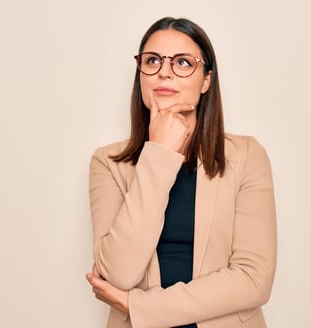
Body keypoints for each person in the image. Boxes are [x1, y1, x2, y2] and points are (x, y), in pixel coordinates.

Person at [85, 16, 277, 328]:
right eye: (153, 60)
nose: (164, 71)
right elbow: (118, 273)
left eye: (183, 62)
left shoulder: (246, 156)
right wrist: (159, 156)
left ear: (206, 80)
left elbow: (253, 279)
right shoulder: (108, 162)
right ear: (141, 74)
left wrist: (140, 306)